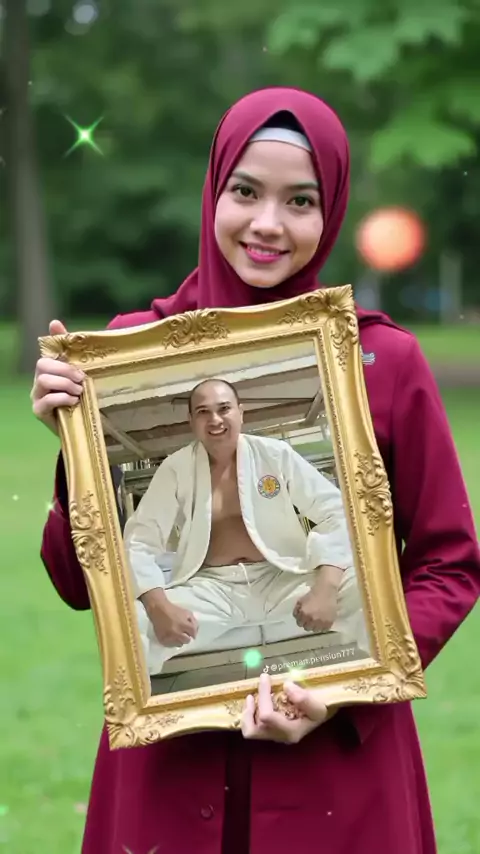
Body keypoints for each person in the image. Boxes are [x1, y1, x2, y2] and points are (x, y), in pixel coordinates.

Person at [31, 88, 480, 854]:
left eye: (300, 201)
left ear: (331, 211)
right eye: (246, 191)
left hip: (336, 767)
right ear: (214, 190)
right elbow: (82, 584)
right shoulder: (129, 359)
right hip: (172, 755)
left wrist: (345, 684)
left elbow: (449, 563)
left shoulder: (382, 363)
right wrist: (78, 446)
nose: (268, 223)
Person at [126, 377, 364, 676]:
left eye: (224, 408)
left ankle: (381, 685)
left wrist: (326, 588)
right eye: (203, 412)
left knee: (367, 589)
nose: (215, 419)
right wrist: (159, 607)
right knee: (131, 622)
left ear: (241, 412)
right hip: (212, 587)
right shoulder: (175, 468)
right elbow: (140, 541)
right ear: (191, 422)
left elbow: (336, 512)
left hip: (282, 577)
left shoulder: (275, 454)